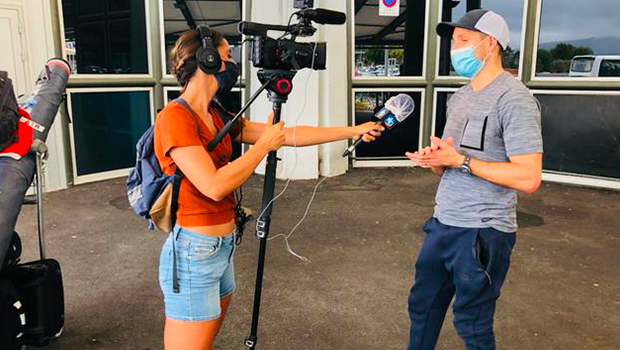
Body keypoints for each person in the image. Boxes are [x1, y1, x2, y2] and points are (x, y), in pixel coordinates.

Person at [155, 27, 384, 350]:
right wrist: (262, 148)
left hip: (221, 247)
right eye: (227, 57)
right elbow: (213, 186)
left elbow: (286, 134)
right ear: (206, 60)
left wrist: (351, 130)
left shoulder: (216, 114)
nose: (232, 64)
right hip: (194, 252)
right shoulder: (175, 117)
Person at [405, 10, 543, 350]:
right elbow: (451, 164)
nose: (456, 49)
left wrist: (461, 160)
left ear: (490, 43)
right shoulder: (460, 96)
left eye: (464, 40)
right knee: (422, 306)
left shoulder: (516, 99)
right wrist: (436, 160)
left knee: (472, 323)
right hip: (443, 223)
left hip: (483, 231)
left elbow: (528, 177)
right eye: (453, 42)